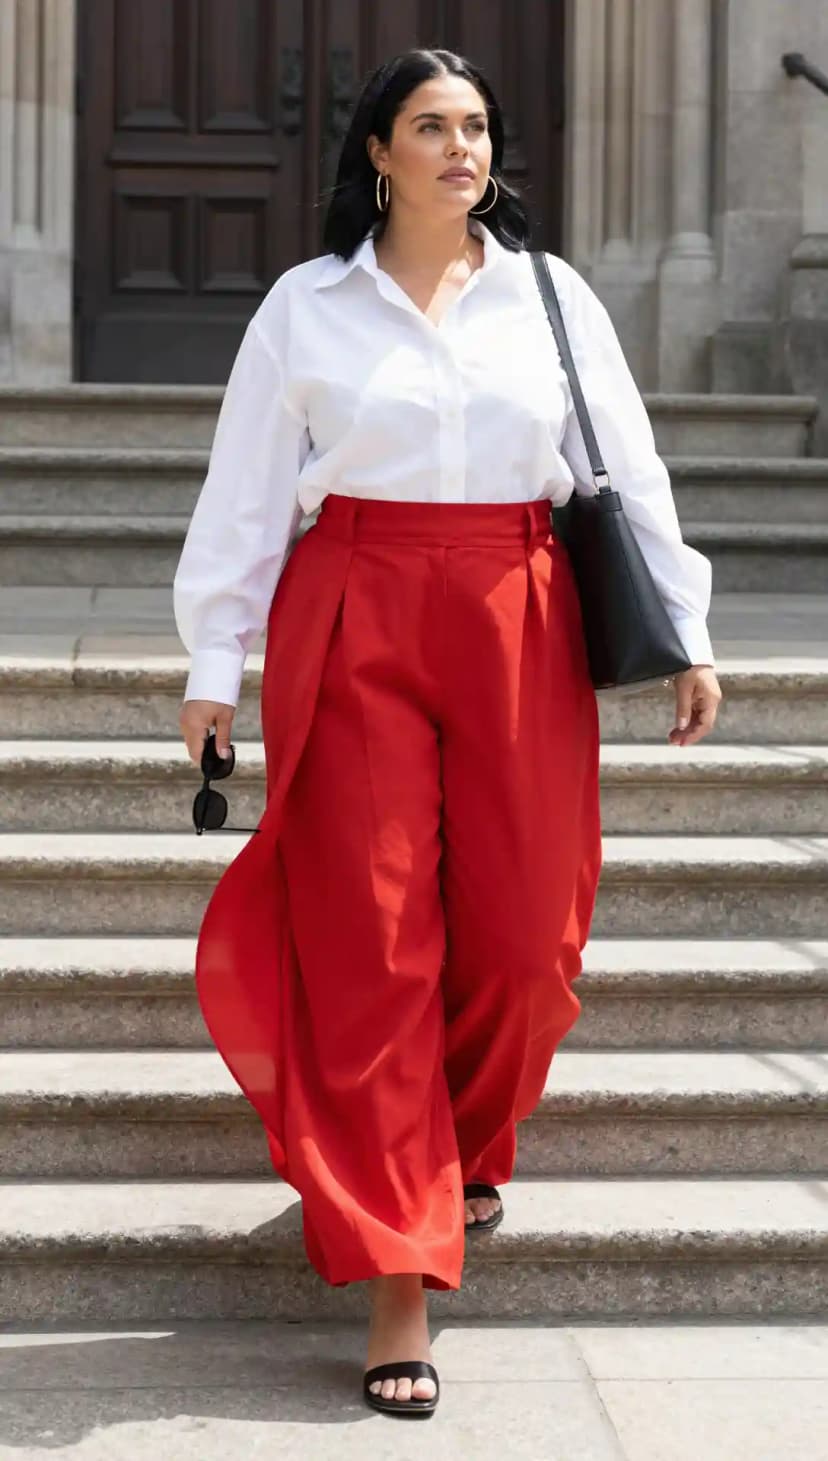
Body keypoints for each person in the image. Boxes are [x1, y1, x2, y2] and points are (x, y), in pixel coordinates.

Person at [173, 47, 722, 1419]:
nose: (463, 149)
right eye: (433, 127)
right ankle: (399, 1272)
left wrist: (692, 629)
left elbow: (627, 463)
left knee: (532, 936)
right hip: (351, 599)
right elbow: (247, 488)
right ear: (379, 151)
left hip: (519, 606)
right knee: (371, 936)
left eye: (476, 127)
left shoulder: (553, 295)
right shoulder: (307, 307)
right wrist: (212, 661)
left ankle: (461, 1139)